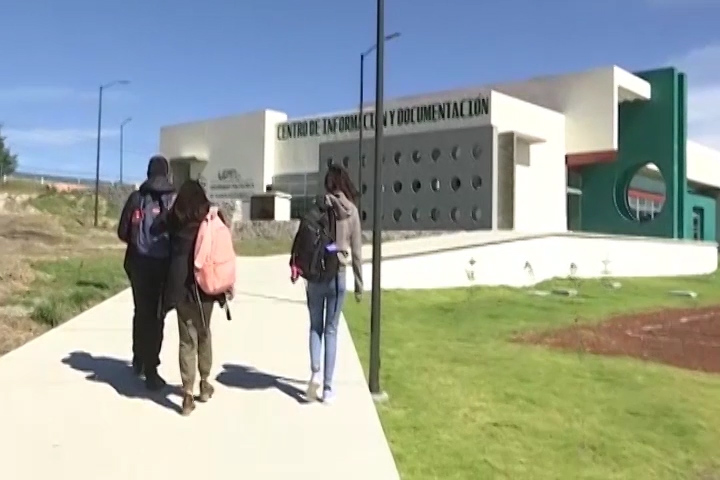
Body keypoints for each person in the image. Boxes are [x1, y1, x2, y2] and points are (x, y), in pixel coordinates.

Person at [152, 180, 228, 416]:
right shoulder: (210, 218)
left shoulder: (176, 218)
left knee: (187, 340)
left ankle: (186, 394)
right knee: (204, 333)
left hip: (180, 286)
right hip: (206, 285)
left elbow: (155, 227)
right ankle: (204, 384)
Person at [303, 165, 363, 404]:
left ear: (328, 184)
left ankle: (315, 371)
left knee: (315, 326)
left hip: (316, 274)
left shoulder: (318, 205)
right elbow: (357, 252)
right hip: (337, 273)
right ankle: (328, 388)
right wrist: (359, 284)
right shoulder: (352, 212)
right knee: (331, 330)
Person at [117, 155, 175, 390]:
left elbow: (122, 232)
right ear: (167, 173)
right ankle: (152, 369)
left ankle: (138, 359)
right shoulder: (174, 199)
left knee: (141, 311)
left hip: (138, 264)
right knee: (157, 316)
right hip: (163, 265)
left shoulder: (136, 198)